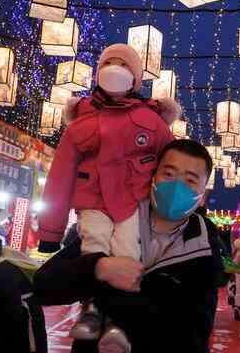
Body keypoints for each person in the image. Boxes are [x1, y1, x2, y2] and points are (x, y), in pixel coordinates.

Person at [37, 43, 180, 345]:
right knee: (95, 246)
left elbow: (173, 165)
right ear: (98, 71)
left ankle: (118, 316)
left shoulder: (152, 122)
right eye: (109, 62)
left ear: (137, 78)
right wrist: (51, 230)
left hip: (134, 203)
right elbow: (59, 177)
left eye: (123, 64)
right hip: (93, 202)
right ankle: (92, 308)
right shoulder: (81, 123)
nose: (114, 69)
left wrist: (177, 208)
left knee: (128, 251)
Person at [34, 139, 224, 353]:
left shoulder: (205, 246)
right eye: (168, 174)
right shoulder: (114, 221)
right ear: (153, 178)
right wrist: (99, 267)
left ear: (202, 196)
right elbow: (44, 285)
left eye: (190, 180)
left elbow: (194, 334)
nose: (176, 187)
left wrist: (113, 299)